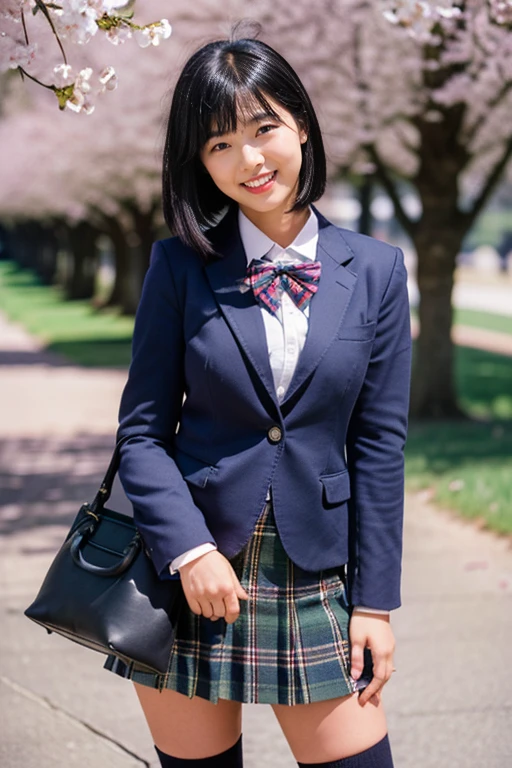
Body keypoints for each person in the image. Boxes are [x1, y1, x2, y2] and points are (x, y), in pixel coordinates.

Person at [104, 31, 412, 768]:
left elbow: (379, 447)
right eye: (218, 144)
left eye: (264, 128)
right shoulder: (179, 266)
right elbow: (141, 434)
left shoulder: (376, 270)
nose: (249, 161)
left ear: (301, 124)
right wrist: (187, 549)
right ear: (199, 163)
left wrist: (375, 604)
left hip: (314, 573)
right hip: (189, 571)